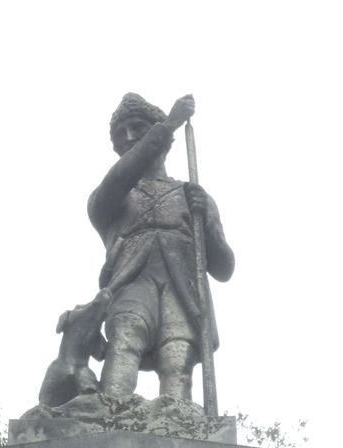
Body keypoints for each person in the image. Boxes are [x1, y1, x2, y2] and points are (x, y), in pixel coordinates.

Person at [87, 93, 235, 401]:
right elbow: (118, 180)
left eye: (138, 127)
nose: (128, 137)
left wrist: (206, 223)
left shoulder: (193, 196)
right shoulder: (112, 195)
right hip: (131, 282)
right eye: (121, 133)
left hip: (182, 287)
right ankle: (111, 412)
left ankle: (179, 419)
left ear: (165, 143)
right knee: (124, 342)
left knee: (177, 358)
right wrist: (168, 125)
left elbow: (224, 268)